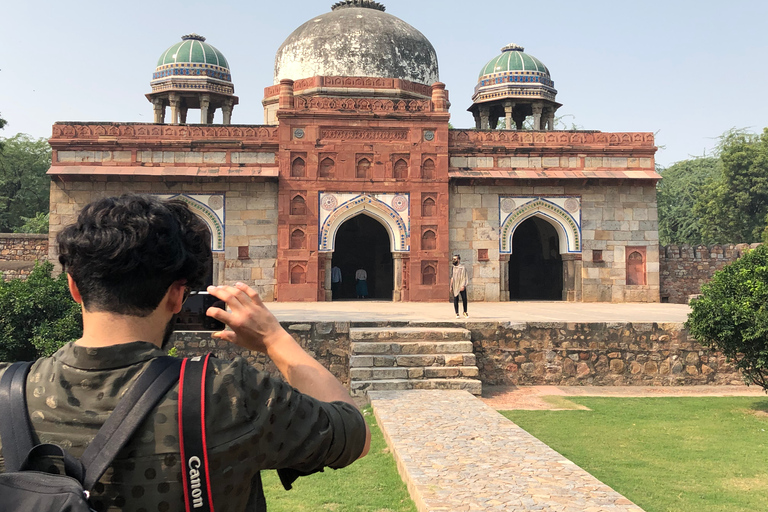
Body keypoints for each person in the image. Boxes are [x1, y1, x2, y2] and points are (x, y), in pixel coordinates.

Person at [0, 194, 370, 512]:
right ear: (178, 295)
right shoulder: (229, 394)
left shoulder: (6, 393)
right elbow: (354, 433)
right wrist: (274, 338)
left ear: (74, 287)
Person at [450, 254, 469, 318]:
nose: (454, 260)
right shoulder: (453, 267)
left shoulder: (462, 267)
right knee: (456, 299)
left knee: (464, 299)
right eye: (453, 259)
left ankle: (465, 312)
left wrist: (463, 285)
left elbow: (464, 277)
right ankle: (457, 313)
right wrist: (451, 286)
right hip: (455, 285)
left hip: (461, 284)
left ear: (459, 260)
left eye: (455, 259)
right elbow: (452, 277)